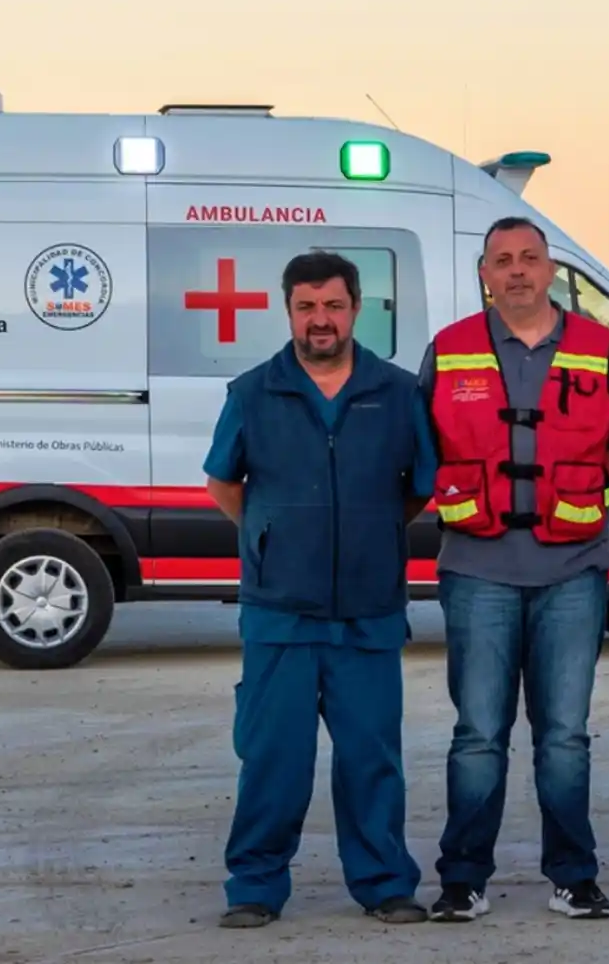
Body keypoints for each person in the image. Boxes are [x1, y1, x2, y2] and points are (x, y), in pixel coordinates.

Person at [203, 250, 437, 928]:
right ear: (289, 312)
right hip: (280, 612)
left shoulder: (396, 394)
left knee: (372, 757)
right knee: (274, 758)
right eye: (307, 307)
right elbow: (223, 483)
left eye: (333, 305)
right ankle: (254, 885)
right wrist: (274, 534)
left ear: (356, 308)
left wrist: (366, 535)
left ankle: (385, 883)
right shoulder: (252, 393)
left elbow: (417, 489)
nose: (320, 320)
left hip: (368, 611)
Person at [417, 216, 609, 922]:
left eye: (530, 259)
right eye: (502, 261)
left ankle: (574, 875)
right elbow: (423, 445)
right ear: (484, 274)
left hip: (572, 569)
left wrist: (560, 498)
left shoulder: (604, 351)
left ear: (551, 272)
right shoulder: (448, 352)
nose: (517, 271)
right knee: (478, 734)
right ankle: (463, 878)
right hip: (477, 569)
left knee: (565, 735)